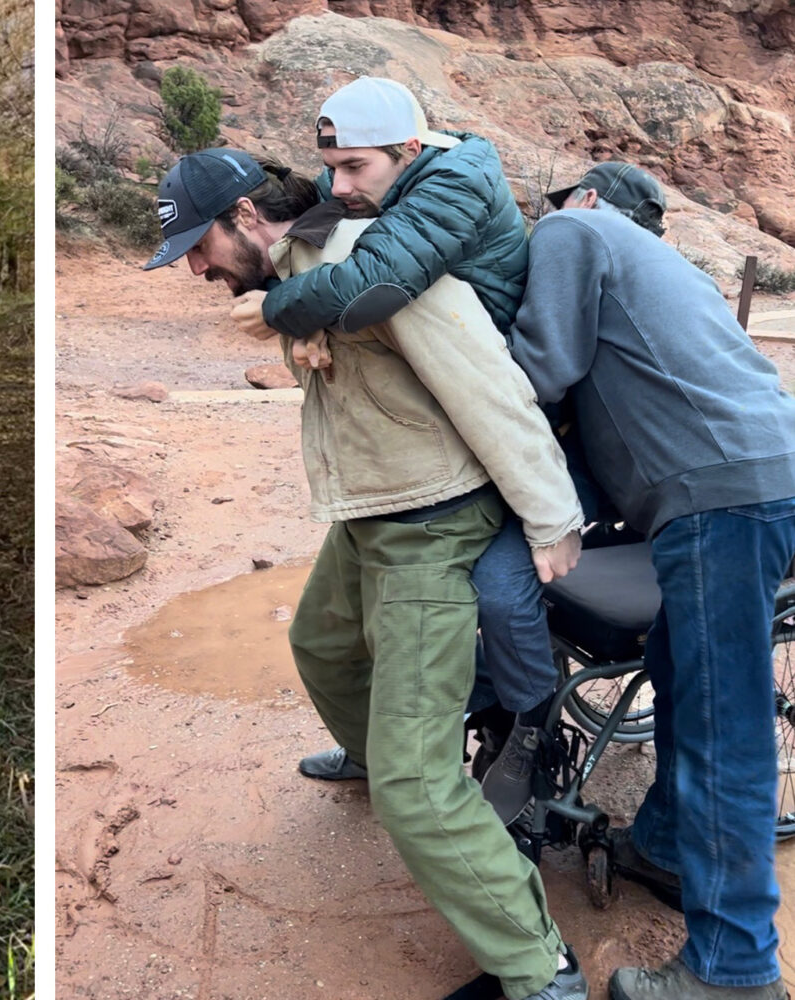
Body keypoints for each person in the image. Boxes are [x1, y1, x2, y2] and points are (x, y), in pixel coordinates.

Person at [145, 146, 587, 1000]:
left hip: (431, 527)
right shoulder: (299, 281)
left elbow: (491, 388)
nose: (194, 269)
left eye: (197, 246)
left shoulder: (364, 268)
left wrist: (551, 516)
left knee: (414, 787)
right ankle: (375, 750)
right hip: (372, 517)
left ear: (244, 217)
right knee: (323, 643)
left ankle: (540, 968)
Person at [226, 77, 565, 824]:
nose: (339, 186)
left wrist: (281, 311)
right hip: (422, 408)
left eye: (355, 169)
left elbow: (379, 279)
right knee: (331, 634)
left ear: (408, 151)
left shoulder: (452, 186)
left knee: (493, 599)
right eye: (332, 168)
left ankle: (520, 731)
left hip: (491, 381)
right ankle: (380, 744)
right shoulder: (382, 182)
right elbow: (323, 226)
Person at [509, 168, 795, 1000]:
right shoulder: (669, 269)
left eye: (557, 200)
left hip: (720, 503)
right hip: (761, 480)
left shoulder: (573, 232)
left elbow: (537, 370)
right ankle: (666, 844)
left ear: (586, 199)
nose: (544, 221)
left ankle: (735, 971)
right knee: (683, 675)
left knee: (723, 733)